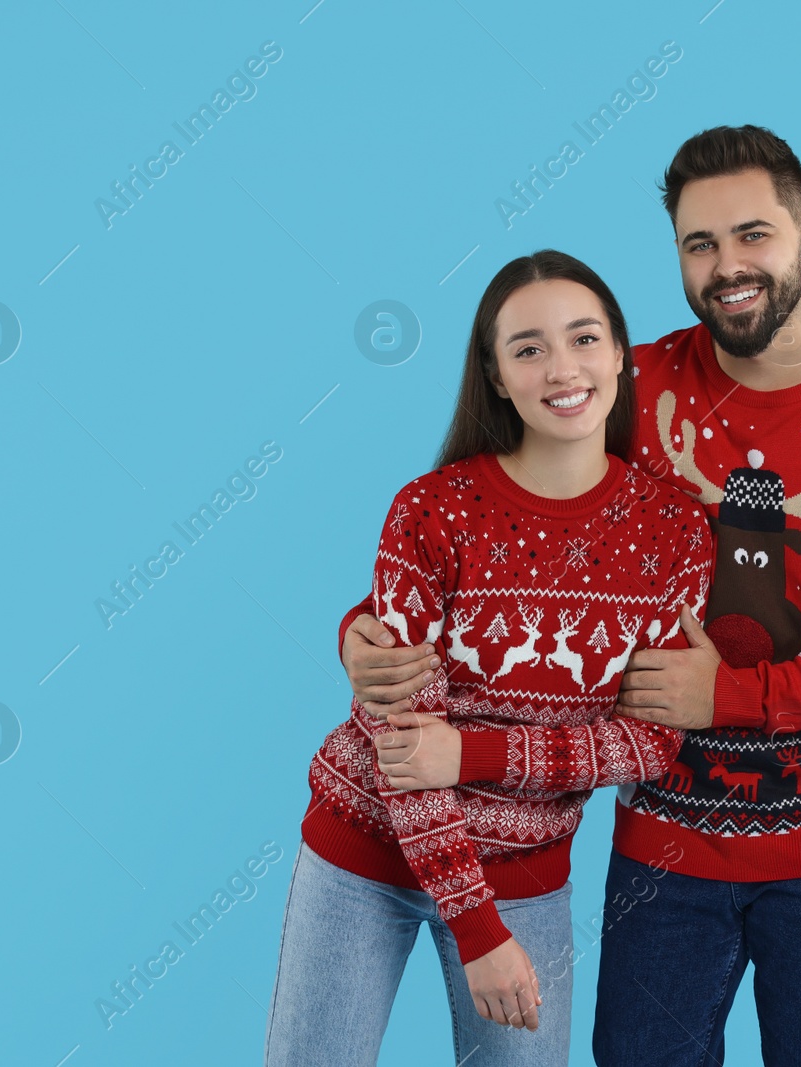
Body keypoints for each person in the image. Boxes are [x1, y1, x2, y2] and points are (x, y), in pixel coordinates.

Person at [336, 126, 801, 1065]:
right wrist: (364, 629)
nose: (728, 266)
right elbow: (492, 523)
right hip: (663, 846)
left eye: (753, 235)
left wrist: (729, 697)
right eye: (699, 243)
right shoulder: (628, 384)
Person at [264, 250, 716, 1067]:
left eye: (583, 338)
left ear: (620, 352)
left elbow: (650, 740)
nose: (562, 368)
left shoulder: (675, 534)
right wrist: (477, 928)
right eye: (529, 348)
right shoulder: (431, 512)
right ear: (497, 376)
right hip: (366, 853)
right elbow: (404, 746)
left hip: (528, 873)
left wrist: (473, 750)